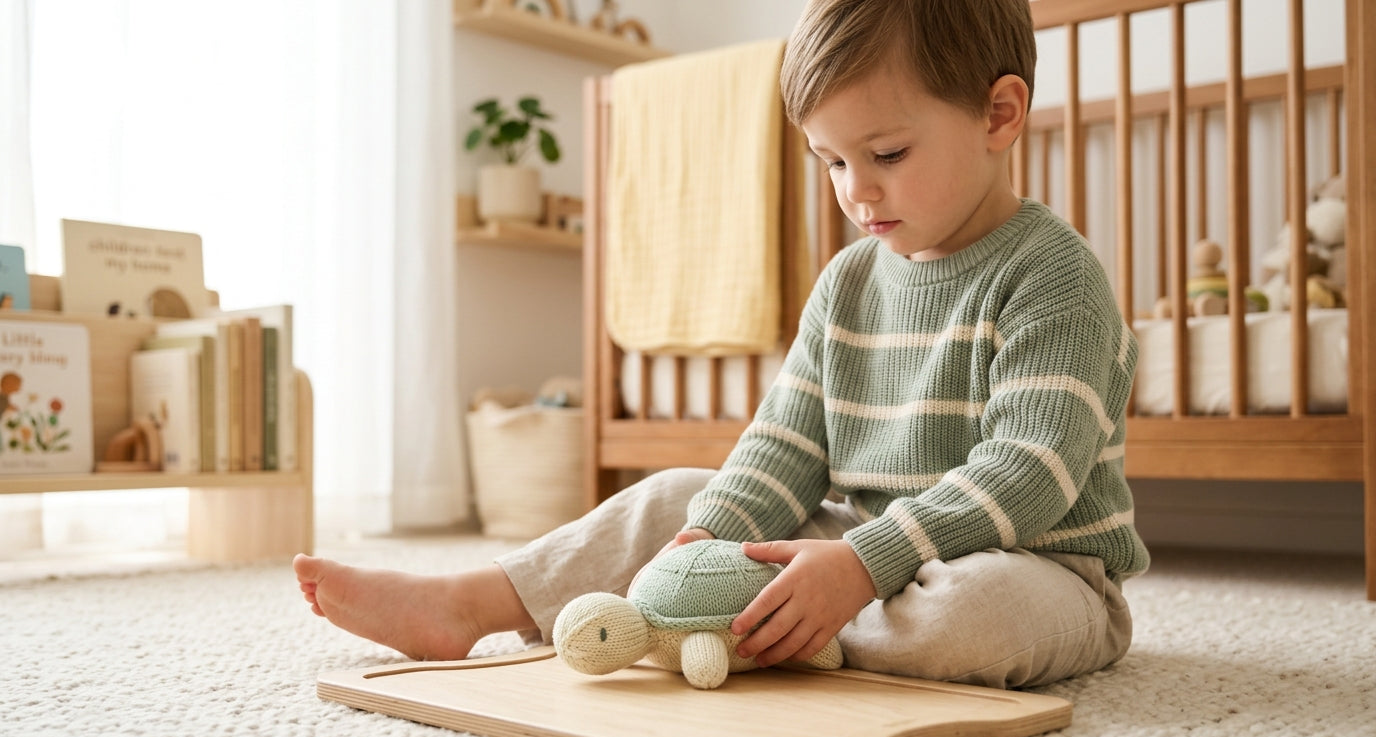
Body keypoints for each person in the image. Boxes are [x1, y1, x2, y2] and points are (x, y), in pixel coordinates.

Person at [295, 0, 1149, 689]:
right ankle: (468, 603)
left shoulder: (1055, 275)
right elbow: (786, 446)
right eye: (833, 162)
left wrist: (860, 562)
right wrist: (706, 543)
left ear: (1000, 115)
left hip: (1036, 568)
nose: (857, 191)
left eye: (884, 152)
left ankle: (764, 628)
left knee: (974, 615)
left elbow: (1030, 471)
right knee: (671, 496)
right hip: (854, 543)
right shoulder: (848, 282)